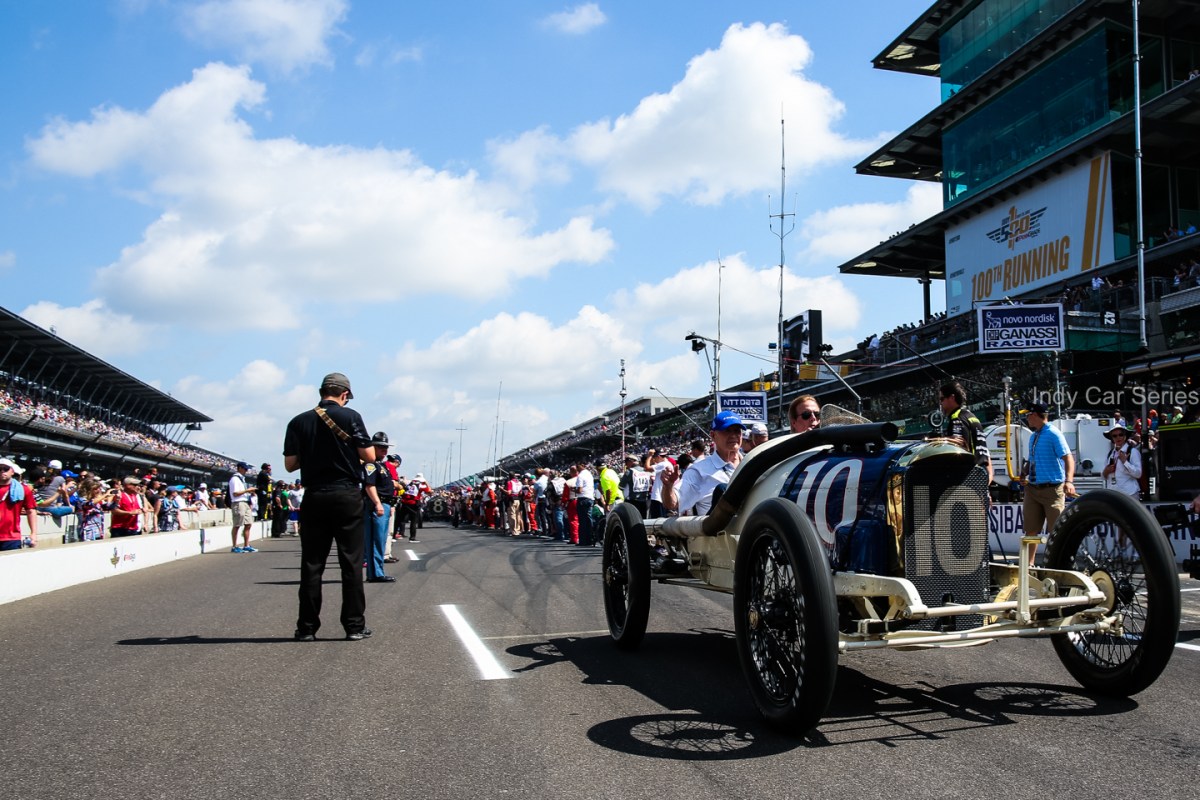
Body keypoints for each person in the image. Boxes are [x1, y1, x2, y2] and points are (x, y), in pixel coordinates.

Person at [283, 372, 377, 642]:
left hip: (314, 495)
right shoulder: (351, 417)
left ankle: (307, 627)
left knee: (312, 564)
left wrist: (315, 453)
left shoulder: (298, 421)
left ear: (321, 391)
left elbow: (290, 464)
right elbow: (369, 455)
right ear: (344, 395)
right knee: (351, 563)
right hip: (346, 494)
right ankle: (354, 626)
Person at [1021, 404, 1076, 566]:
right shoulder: (1033, 436)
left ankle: (1058, 564)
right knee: (1030, 530)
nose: (1027, 418)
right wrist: (1024, 472)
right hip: (1033, 489)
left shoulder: (1053, 434)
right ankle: (1028, 565)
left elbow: (1068, 458)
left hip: (1053, 489)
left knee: (1057, 531)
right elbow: (1031, 460)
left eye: (1028, 414)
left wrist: (1069, 481)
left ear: (1037, 415)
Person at [673, 410, 744, 516]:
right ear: (713, 435)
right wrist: (668, 487)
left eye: (737, 431)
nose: (733, 435)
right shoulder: (698, 471)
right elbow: (674, 503)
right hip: (718, 531)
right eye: (727, 431)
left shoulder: (752, 463)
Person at [937, 381, 994, 485]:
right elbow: (986, 452)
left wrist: (937, 442)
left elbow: (958, 447)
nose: (941, 403)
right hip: (982, 473)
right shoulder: (972, 416)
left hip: (969, 476)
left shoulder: (957, 418)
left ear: (952, 398)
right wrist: (989, 476)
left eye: (942, 399)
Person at [363, 431, 396, 583]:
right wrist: (377, 503)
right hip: (378, 505)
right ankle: (376, 573)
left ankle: (376, 571)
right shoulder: (371, 464)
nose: (385, 451)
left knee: (380, 540)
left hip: (385, 503)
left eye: (385, 448)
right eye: (381, 447)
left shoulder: (381, 465)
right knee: (376, 540)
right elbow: (370, 485)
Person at [0, 458, 37, 550]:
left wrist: (34, 533)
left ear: (12, 471)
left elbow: (31, 511)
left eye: (5, 469)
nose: (2, 471)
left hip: (11, 537)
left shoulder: (23, 489)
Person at [1102, 425, 1142, 497]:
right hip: (1113, 494)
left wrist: (1125, 462)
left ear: (1125, 436)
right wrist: (1106, 471)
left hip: (1129, 494)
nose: (1118, 437)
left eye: (1121, 435)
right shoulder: (1110, 454)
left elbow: (1138, 474)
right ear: (1112, 438)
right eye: (1114, 436)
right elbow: (1103, 476)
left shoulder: (1133, 452)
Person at [227, 462, 257, 553]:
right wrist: (247, 490)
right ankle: (234, 546)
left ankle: (246, 545)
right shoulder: (235, 479)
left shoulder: (242, 479)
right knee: (237, 524)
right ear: (239, 468)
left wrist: (248, 492)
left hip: (245, 502)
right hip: (238, 502)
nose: (246, 471)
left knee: (248, 523)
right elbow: (235, 493)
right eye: (245, 469)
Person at [573, 462, 596, 546]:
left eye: (577, 466)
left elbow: (579, 490)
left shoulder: (580, 476)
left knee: (582, 521)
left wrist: (573, 490)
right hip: (590, 498)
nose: (577, 468)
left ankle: (583, 541)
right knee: (588, 520)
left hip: (583, 499)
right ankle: (590, 539)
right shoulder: (589, 474)